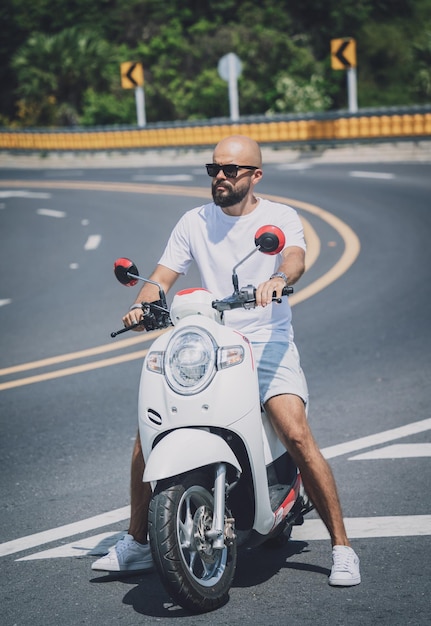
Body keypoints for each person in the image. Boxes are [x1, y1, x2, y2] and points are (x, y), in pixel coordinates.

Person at [92, 135, 361, 587]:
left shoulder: (278, 218)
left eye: (230, 170)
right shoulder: (194, 221)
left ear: (255, 175)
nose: (220, 176)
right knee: (147, 438)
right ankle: (139, 542)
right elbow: (161, 277)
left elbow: (294, 257)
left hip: (266, 340)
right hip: (212, 344)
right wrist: (144, 304)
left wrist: (277, 279)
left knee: (294, 431)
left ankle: (342, 547)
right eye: (213, 168)